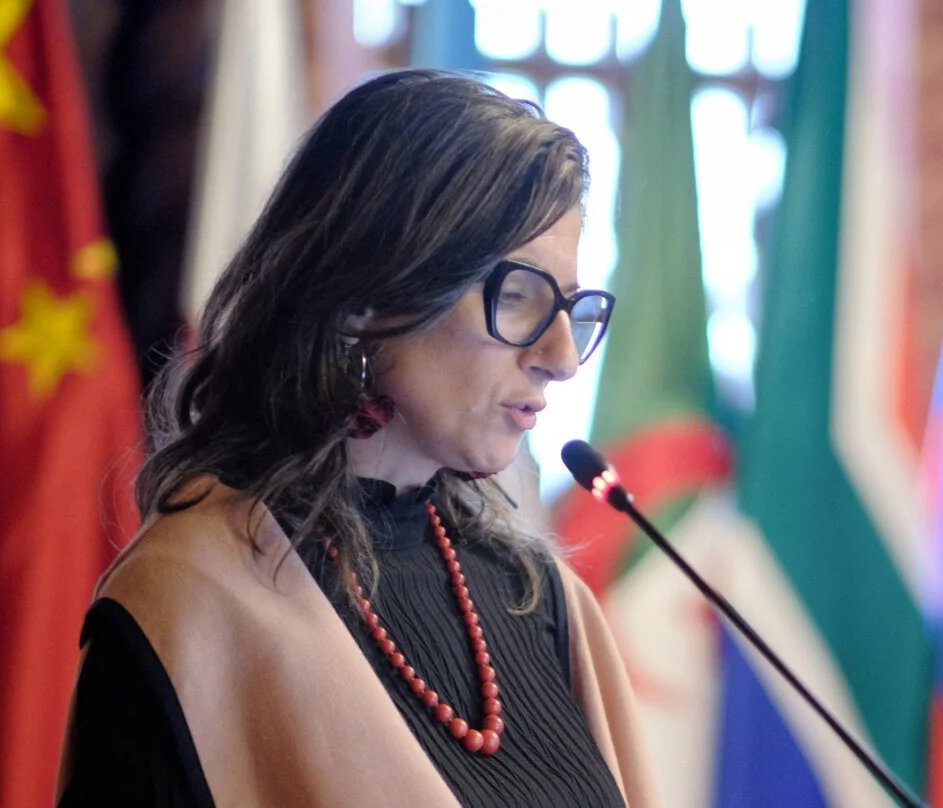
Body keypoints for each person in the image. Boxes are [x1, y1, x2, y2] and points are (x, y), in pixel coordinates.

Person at [56, 68, 657, 807]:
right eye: (521, 296)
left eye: (572, 308)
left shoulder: (542, 603)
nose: (561, 358)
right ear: (369, 295)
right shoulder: (190, 605)